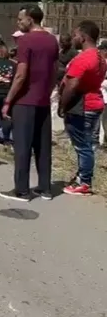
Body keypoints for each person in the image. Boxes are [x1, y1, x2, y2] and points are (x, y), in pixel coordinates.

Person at [0, 5, 59, 202]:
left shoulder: (26, 41)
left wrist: (8, 100)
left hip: (25, 101)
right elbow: (55, 70)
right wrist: (48, 92)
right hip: (43, 100)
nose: (19, 23)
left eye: (20, 19)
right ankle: (45, 188)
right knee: (43, 147)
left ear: (30, 20)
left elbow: (21, 75)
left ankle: (22, 190)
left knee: (23, 146)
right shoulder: (52, 40)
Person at [59, 21, 106, 196]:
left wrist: (63, 105)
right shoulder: (100, 57)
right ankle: (82, 176)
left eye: (75, 35)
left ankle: (84, 181)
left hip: (82, 105)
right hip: (93, 103)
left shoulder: (84, 58)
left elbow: (72, 84)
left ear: (83, 36)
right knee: (87, 143)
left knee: (83, 145)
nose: (73, 38)